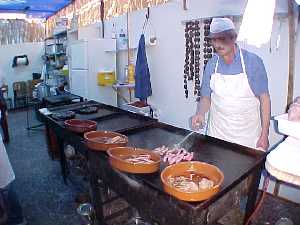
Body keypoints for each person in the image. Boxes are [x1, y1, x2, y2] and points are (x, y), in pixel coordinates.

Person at [191, 18, 271, 150]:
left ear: (233, 38)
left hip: (247, 137)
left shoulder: (252, 62)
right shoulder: (211, 64)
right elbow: (206, 97)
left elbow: (265, 99)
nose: (218, 44)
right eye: (214, 40)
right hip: (217, 133)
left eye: (223, 39)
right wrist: (200, 113)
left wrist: (264, 134)